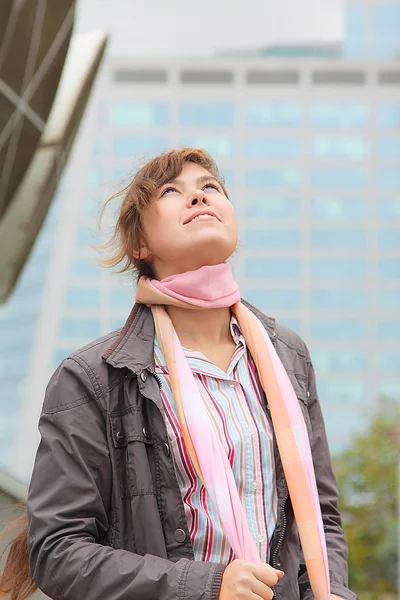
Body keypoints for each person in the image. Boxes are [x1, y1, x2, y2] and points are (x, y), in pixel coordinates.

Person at [0, 148, 356, 600]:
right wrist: (208, 586)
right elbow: (56, 551)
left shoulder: (287, 356)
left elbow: (320, 518)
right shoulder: (93, 377)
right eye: (172, 191)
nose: (198, 197)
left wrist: (332, 593)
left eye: (210, 187)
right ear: (140, 246)